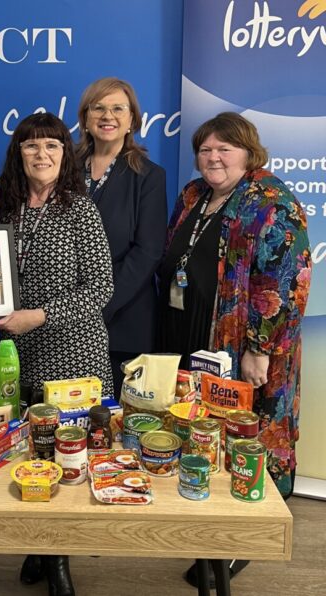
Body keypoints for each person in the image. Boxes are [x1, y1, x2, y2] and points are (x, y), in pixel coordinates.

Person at [157, 112, 311, 587]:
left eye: (225, 148)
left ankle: (243, 541)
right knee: (205, 432)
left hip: (244, 346)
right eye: (205, 149)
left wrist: (260, 349)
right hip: (190, 336)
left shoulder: (273, 203)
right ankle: (207, 529)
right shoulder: (193, 195)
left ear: (249, 152)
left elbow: (288, 284)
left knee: (250, 434)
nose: (214, 157)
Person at [0, 112, 114, 596]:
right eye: (31, 146)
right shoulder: (4, 211)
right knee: (30, 453)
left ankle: (58, 560)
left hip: (73, 355)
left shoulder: (81, 210)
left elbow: (101, 288)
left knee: (65, 457)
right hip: (19, 354)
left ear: (65, 155)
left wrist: (37, 315)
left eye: (52, 146)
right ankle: (37, 545)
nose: (42, 154)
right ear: (18, 154)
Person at [75, 78, 167, 399]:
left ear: (132, 120)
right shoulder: (64, 170)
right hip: (65, 324)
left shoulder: (149, 175)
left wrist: (97, 305)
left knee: (118, 428)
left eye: (117, 108)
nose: (107, 116)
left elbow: (148, 251)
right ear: (85, 118)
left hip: (123, 322)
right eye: (97, 107)